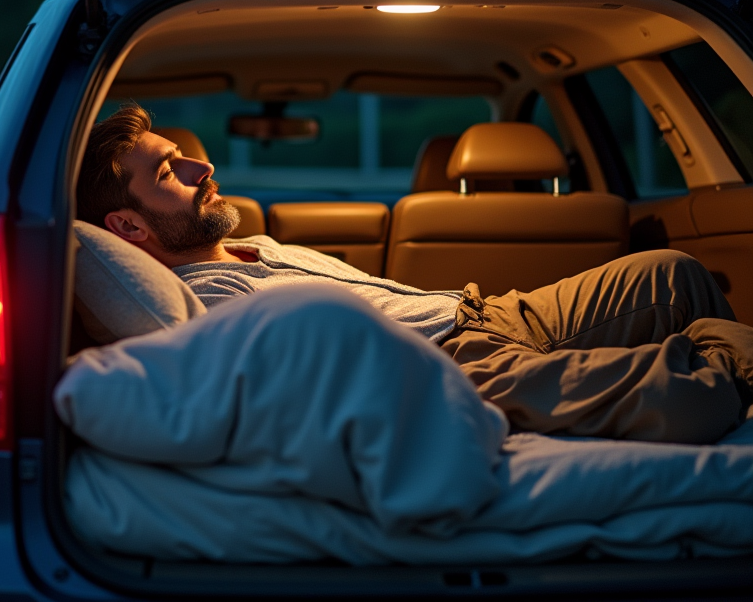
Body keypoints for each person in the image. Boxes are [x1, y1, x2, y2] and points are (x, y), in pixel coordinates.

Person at [76, 104, 753, 444]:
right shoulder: (200, 306)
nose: (204, 169)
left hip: (487, 311)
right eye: (170, 173)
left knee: (673, 274)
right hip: (449, 365)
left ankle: (718, 345)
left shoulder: (250, 242)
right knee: (690, 395)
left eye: (185, 157)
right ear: (129, 229)